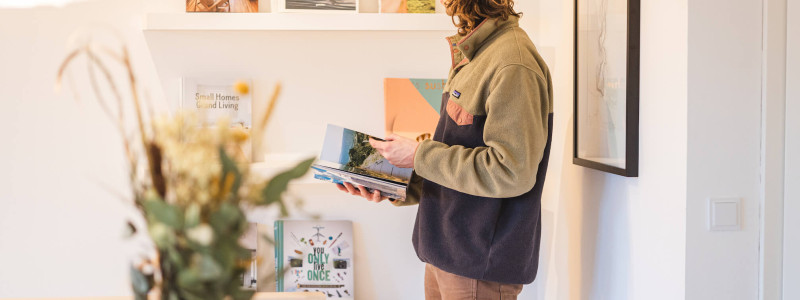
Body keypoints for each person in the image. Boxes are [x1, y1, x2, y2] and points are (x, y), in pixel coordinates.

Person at [335, 0, 553, 298]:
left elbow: (511, 170)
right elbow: (458, 153)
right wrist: (394, 184)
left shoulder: (512, 62)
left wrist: (418, 155)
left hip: (478, 267)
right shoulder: (478, 54)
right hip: (448, 255)